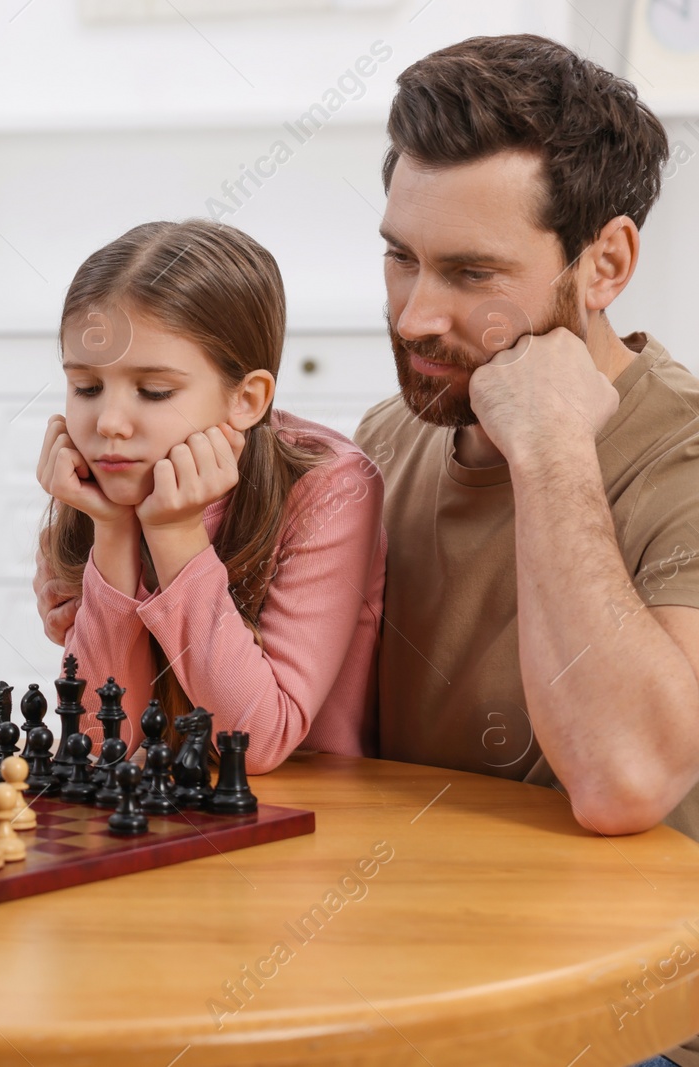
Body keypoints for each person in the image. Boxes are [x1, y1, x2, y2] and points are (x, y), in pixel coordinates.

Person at [35, 35, 699, 1067]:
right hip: (398, 964)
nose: (413, 314)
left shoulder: (680, 455)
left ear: (604, 263)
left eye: (471, 272)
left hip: (612, 1020)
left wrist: (553, 448)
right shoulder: (391, 438)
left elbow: (622, 780)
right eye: (400, 256)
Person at [37, 220, 384, 771]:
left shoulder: (331, 489)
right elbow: (102, 742)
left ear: (246, 399)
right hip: (152, 816)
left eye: (154, 392)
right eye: (86, 387)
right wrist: (113, 533)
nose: (109, 423)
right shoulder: (94, 493)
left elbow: (257, 742)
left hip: (308, 814)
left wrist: (173, 534)